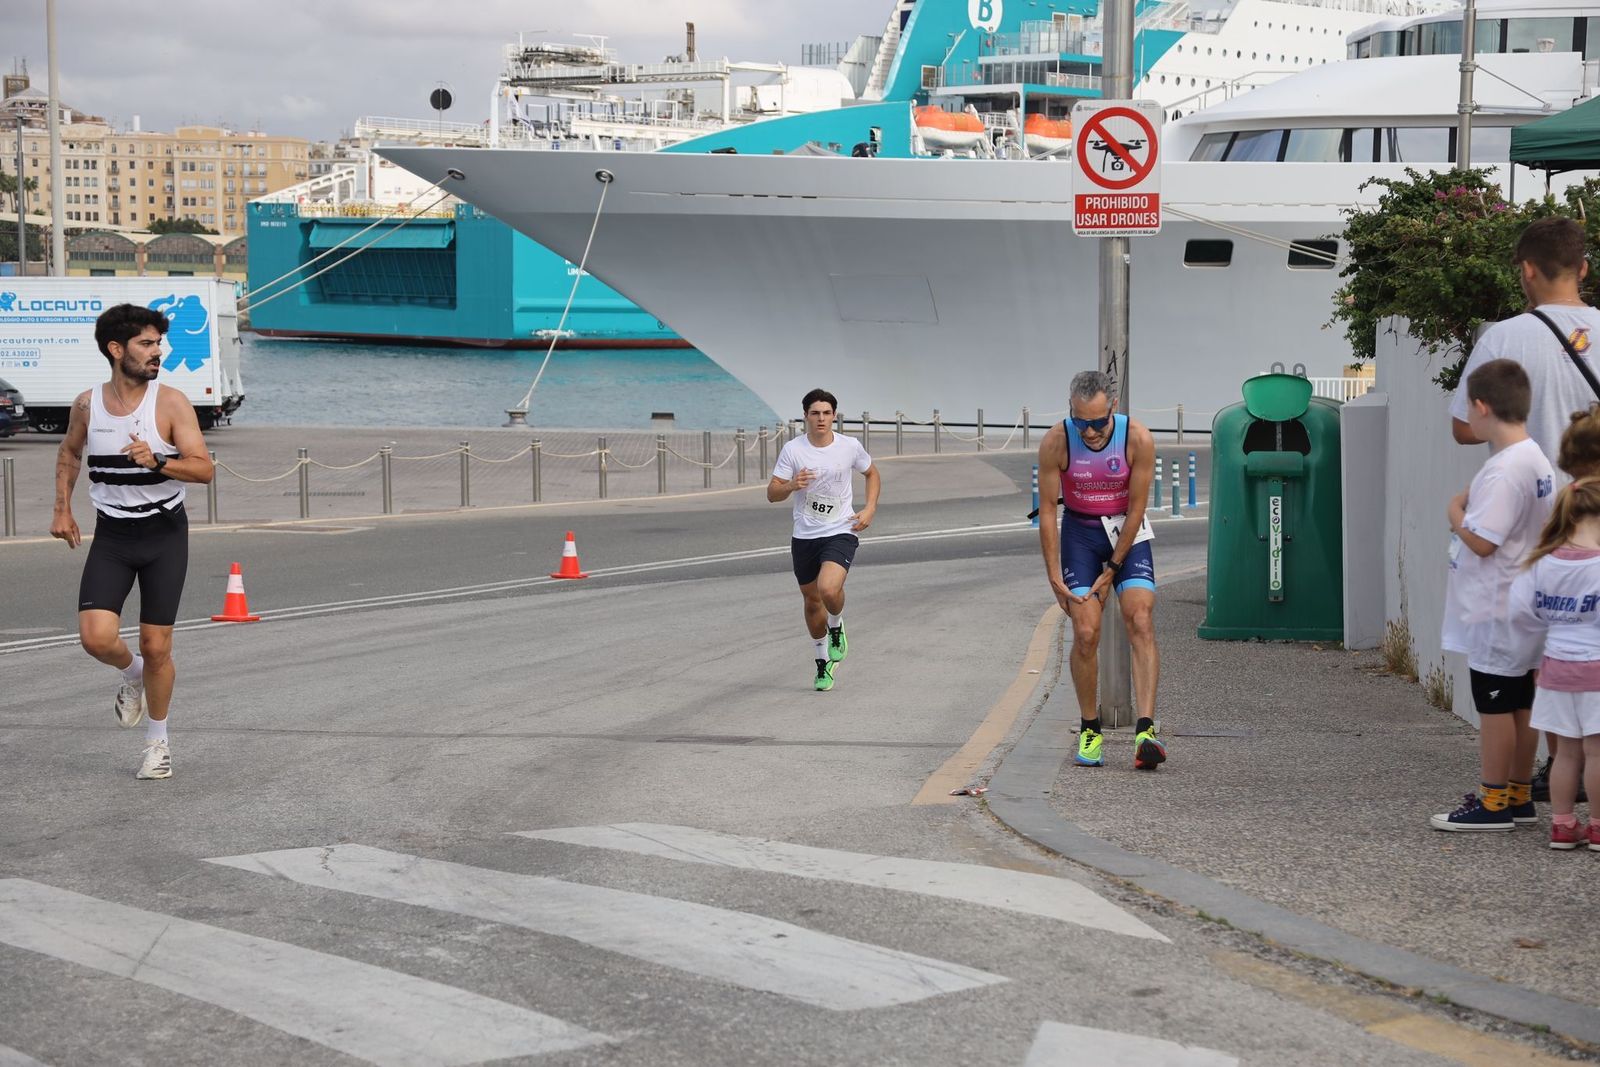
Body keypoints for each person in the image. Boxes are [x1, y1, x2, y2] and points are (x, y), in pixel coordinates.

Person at [1450, 215, 1600, 802]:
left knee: (1538, 657)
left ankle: (1545, 778)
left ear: (1527, 270)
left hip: (1535, 521)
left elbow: (1464, 427)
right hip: (1595, 518)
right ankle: (1578, 771)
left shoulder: (1504, 337)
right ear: (1583, 268)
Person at [50, 304, 215, 780]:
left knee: (156, 644)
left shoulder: (171, 403)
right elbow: (68, 452)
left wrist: (158, 462)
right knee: (96, 638)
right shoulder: (87, 404)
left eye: (158, 344)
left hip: (165, 533)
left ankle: (157, 745)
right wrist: (62, 507)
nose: (156, 352)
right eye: (146, 344)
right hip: (113, 535)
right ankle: (133, 674)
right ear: (115, 349)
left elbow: (204, 469)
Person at [1431, 360, 1554, 832]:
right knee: (1522, 701)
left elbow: (1483, 541)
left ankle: (1493, 801)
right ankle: (1517, 793)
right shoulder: (1533, 457)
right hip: (1522, 601)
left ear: (1481, 407)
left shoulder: (1505, 469)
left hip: (1498, 605)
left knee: (1495, 704)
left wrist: (1455, 511)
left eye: (1468, 409)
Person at [1038, 370, 1165, 770]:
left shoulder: (1138, 439)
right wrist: (1054, 575)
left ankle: (1145, 729)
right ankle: (1090, 728)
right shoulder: (1056, 441)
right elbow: (1045, 513)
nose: (1090, 432)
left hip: (1126, 530)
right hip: (1080, 534)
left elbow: (1138, 509)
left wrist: (1112, 569)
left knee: (1140, 618)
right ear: (1070, 411)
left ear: (1113, 407)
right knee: (1087, 632)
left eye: (1097, 422)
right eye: (1081, 422)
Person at [1507, 475, 1600, 850]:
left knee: (1565, 753)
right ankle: (1596, 826)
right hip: (1596, 670)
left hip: (1555, 671)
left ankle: (1562, 825)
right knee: (1596, 752)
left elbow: (1518, 613)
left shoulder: (1541, 564)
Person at [768, 389, 880, 692]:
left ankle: (837, 624)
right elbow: (772, 494)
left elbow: (872, 474)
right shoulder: (793, 450)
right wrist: (792, 484)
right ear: (805, 415)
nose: (821, 418)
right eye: (815, 413)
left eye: (826, 413)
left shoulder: (849, 446)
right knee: (811, 600)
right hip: (804, 535)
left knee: (828, 589)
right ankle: (822, 661)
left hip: (841, 529)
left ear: (834, 416)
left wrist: (869, 508)